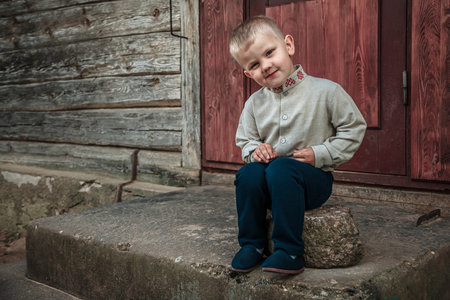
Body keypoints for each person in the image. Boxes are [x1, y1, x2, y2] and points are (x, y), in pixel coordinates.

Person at [229, 15, 367, 274]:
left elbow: (354, 127)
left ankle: (289, 251)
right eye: (255, 64)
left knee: (282, 169)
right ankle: (252, 245)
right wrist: (255, 150)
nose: (266, 65)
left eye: (270, 52)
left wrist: (321, 153)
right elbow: (245, 140)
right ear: (248, 74)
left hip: (312, 183)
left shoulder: (326, 91)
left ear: (288, 46)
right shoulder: (254, 104)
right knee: (248, 173)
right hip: (269, 187)